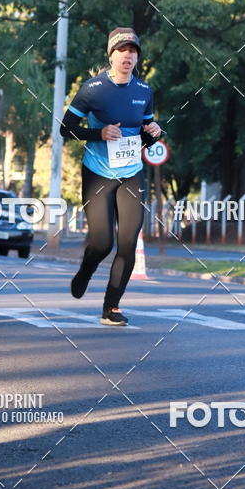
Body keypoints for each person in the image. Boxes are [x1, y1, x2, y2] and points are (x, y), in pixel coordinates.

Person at [60, 27, 161, 326]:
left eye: (132, 51)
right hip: (98, 173)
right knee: (102, 243)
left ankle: (111, 307)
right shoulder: (93, 89)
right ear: (111, 54)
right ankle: (86, 269)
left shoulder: (144, 92)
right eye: (122, 50)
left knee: (127, 243)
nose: (127, 55)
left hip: (131, 173)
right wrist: (99, 133)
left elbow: (144, 134)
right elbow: (66, 129)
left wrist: (153, 134)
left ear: (137, 57)